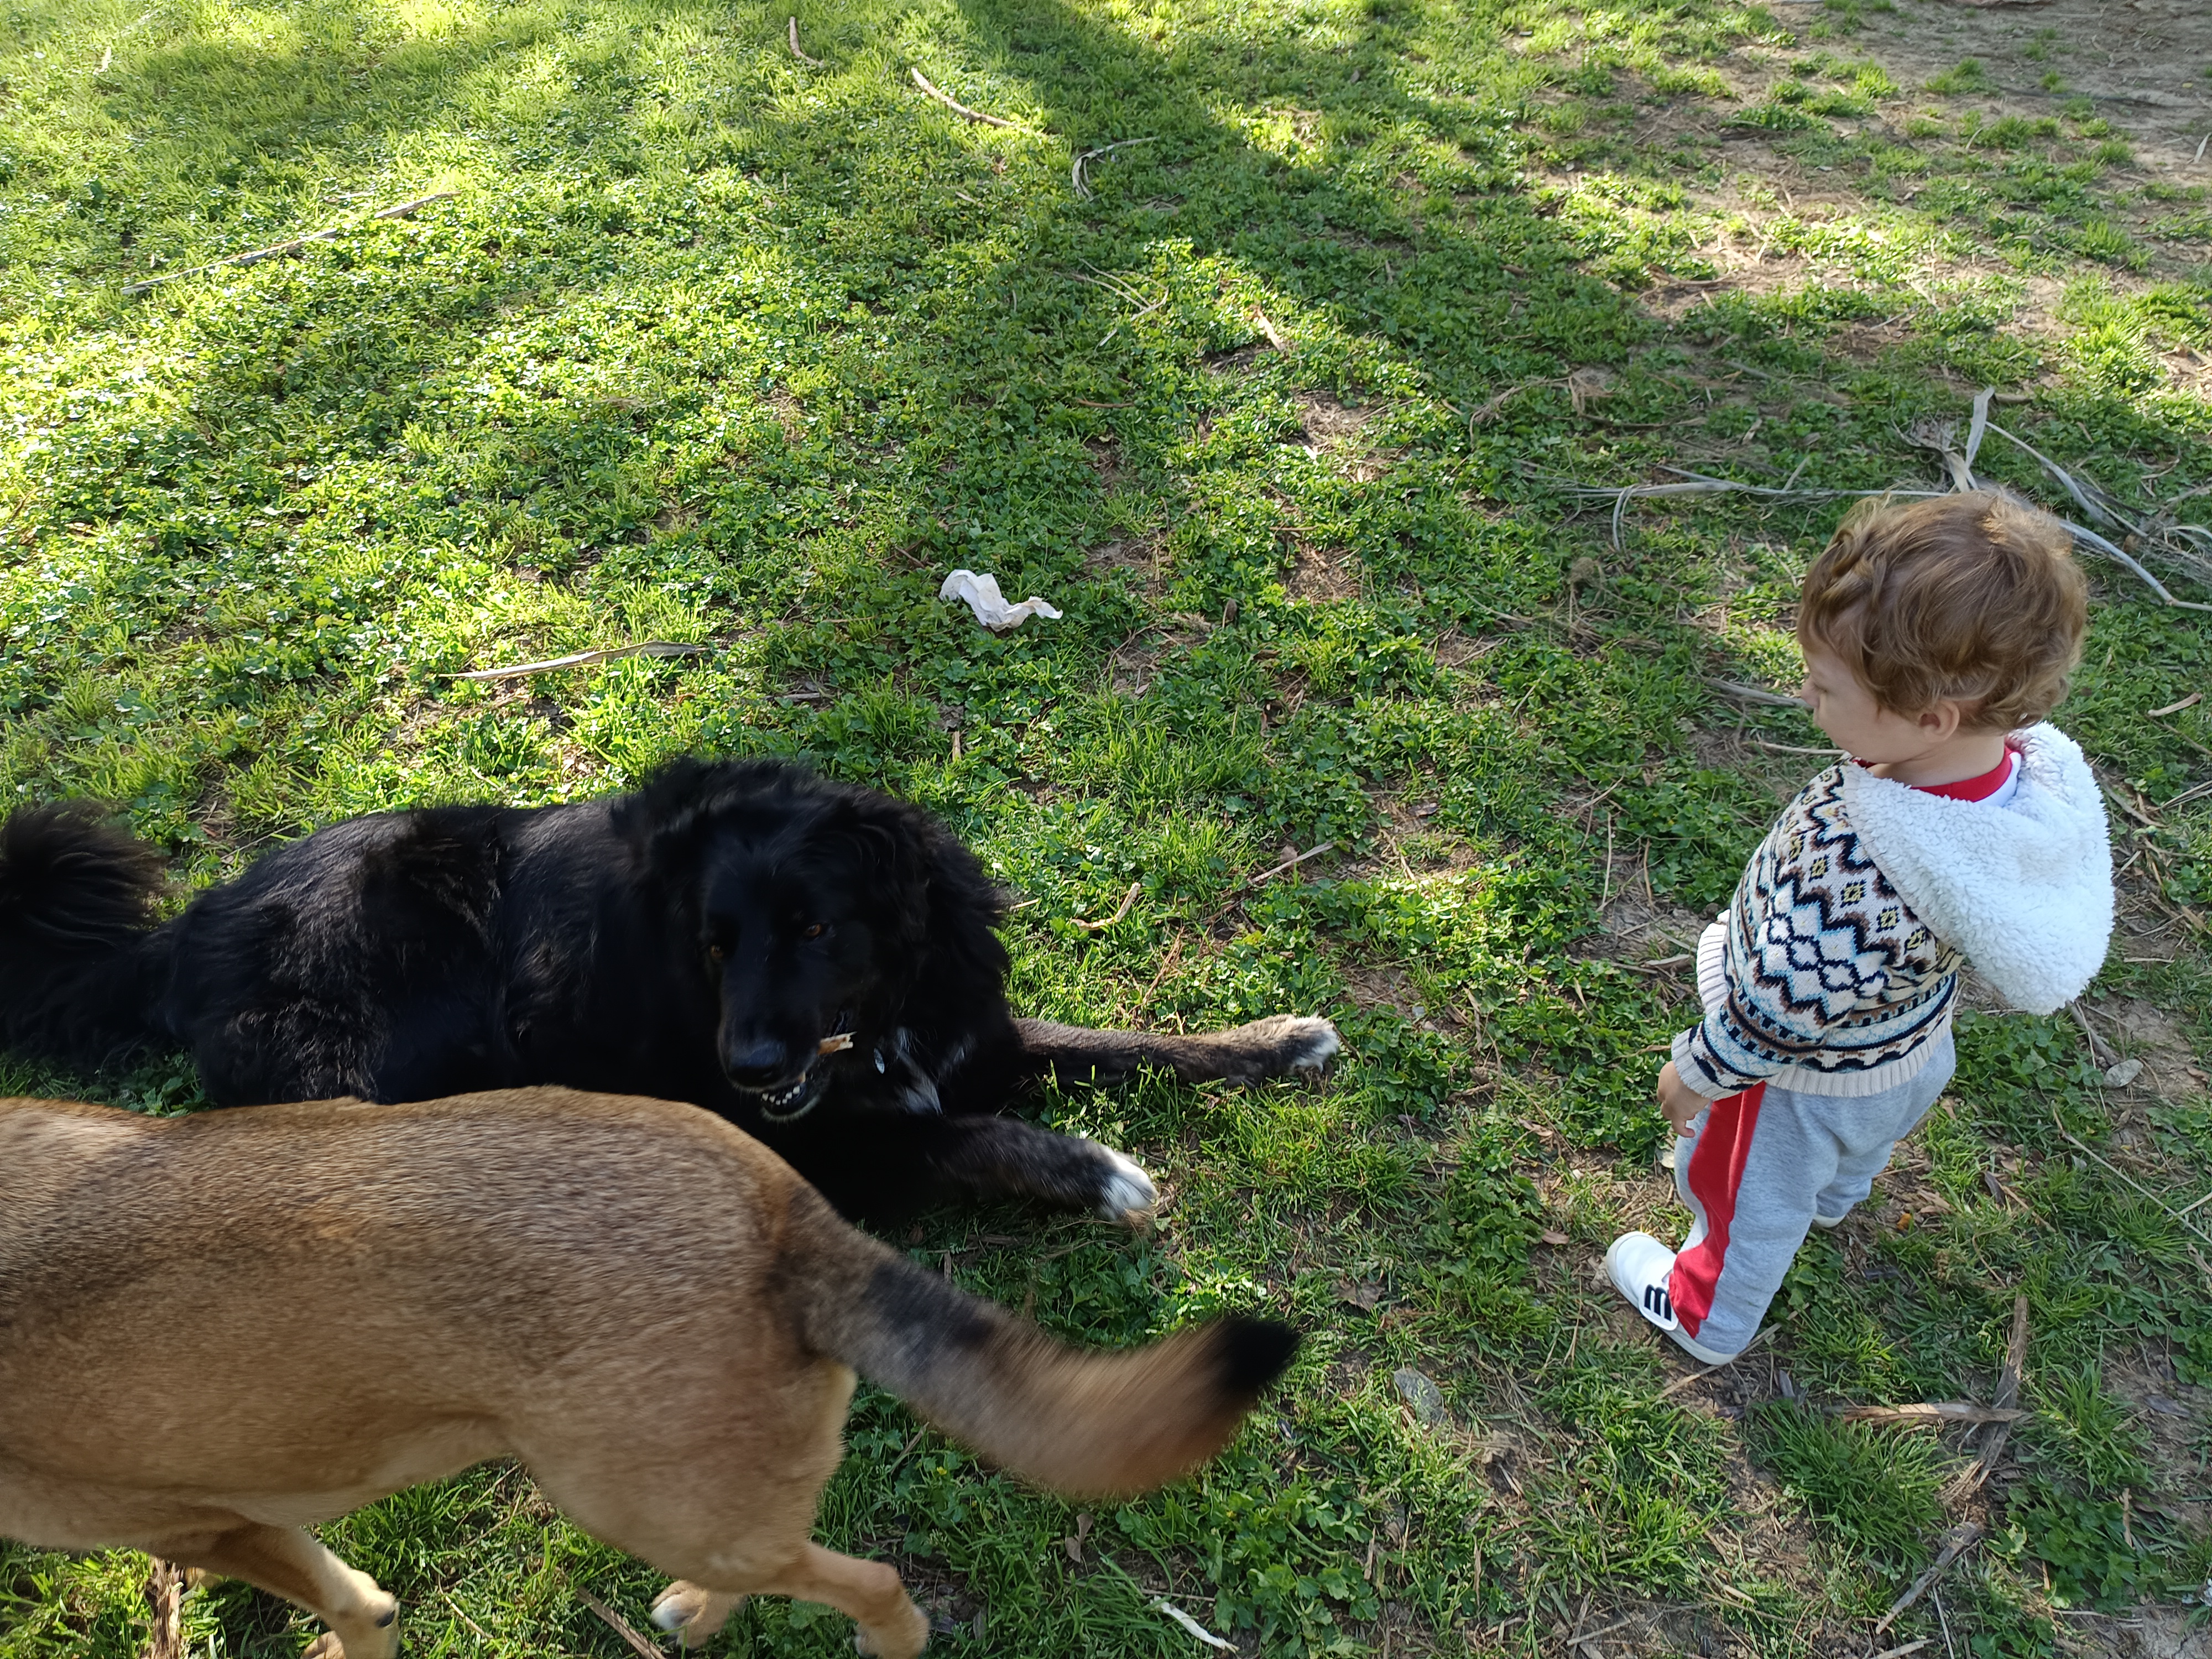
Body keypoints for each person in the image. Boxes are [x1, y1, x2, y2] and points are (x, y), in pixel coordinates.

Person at [1606, 492, 2115, 1363]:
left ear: (1931, 718)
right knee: (1851, 1149)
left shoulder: (1861, 864)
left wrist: (1701, 1073)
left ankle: (1705, 1312)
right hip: (1908, 1052)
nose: (1805, 695)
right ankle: (1833, 1195)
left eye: (1825, 685)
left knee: (1740, 1193)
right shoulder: (2011, 782)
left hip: (1800, 1084)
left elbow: (1780, 1008)